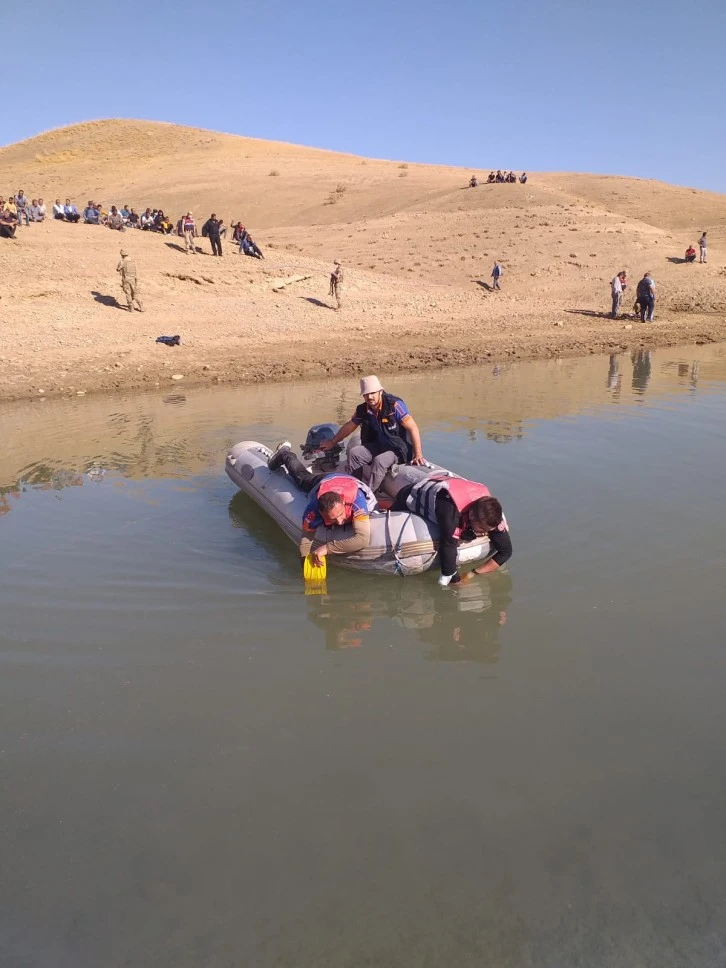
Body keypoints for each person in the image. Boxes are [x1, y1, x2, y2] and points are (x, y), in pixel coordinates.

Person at [390, 473, 512, 586]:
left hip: (452, 494)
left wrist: (474, 573)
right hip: (410, 496)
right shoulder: (450, 514)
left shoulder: (490, 515)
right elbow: (448, 546)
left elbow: (506, 551)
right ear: (472, 516)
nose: (485, 533)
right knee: (390, 513)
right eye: (482, 529)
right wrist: (456, 580)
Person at [267, 443, 377, 567]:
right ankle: (285, 454)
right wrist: (305, 563)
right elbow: (306, 541)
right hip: (326, 481)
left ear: (343, 503)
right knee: (301, 479)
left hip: (347, 482)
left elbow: (362, 540)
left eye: (340, 515)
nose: (340, 522)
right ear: (321, 513)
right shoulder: (313, 510)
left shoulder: (357, 502)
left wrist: (326, 548)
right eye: (332, 519)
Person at [320, 376, 425, 494]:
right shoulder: (362, 409)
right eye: (366, 394)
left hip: (399, 448)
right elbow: (350, 426)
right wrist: (332, 442)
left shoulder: (394, 405)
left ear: (380, 391)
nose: (369, 397)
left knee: (380, 460)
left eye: (373, 393)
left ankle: (369, 494)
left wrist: (418, 455)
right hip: (380, 444)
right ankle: (355, 489)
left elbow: (413, 428)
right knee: (355, 453)